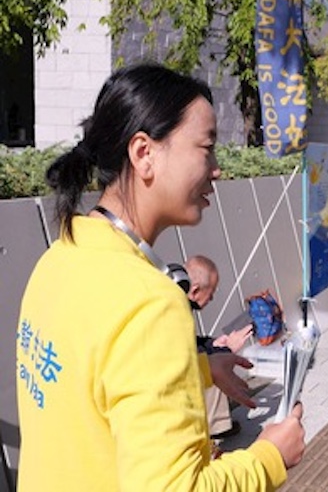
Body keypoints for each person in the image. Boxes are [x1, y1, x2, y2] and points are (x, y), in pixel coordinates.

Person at [16, 64, 305, 490]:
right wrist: (268, 457)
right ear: (144, 153)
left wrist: (199, 369)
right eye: (206, 147)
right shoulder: (151, 302)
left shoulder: (61, 255)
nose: (217, 168)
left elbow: (95, 380)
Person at [185, 254, 254, 440]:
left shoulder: (177, 301)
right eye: (211, 292)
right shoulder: (176, 309)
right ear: (195, 290)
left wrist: (212, 344)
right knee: (215, 364)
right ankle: (216, 429)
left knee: (215, 355)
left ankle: (219, 424)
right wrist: (227, 350)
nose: (212, 298)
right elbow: (190, 360)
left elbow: (191, 343)